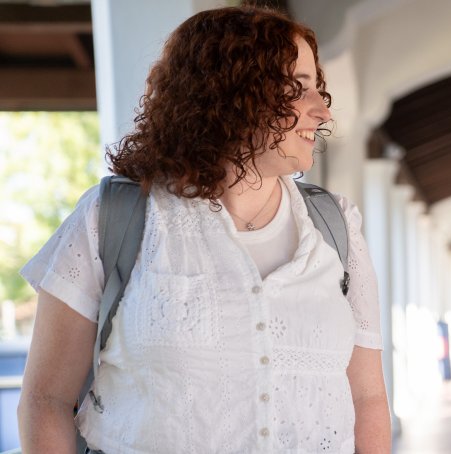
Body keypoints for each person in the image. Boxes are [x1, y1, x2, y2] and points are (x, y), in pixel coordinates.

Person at [17, 7, 390, 453]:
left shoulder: (337, 229)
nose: (321, 111)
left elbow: (367, 399)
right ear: (231, 93)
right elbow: (45, 400)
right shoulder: (113, 220)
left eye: (318, 90)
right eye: (298, 89)